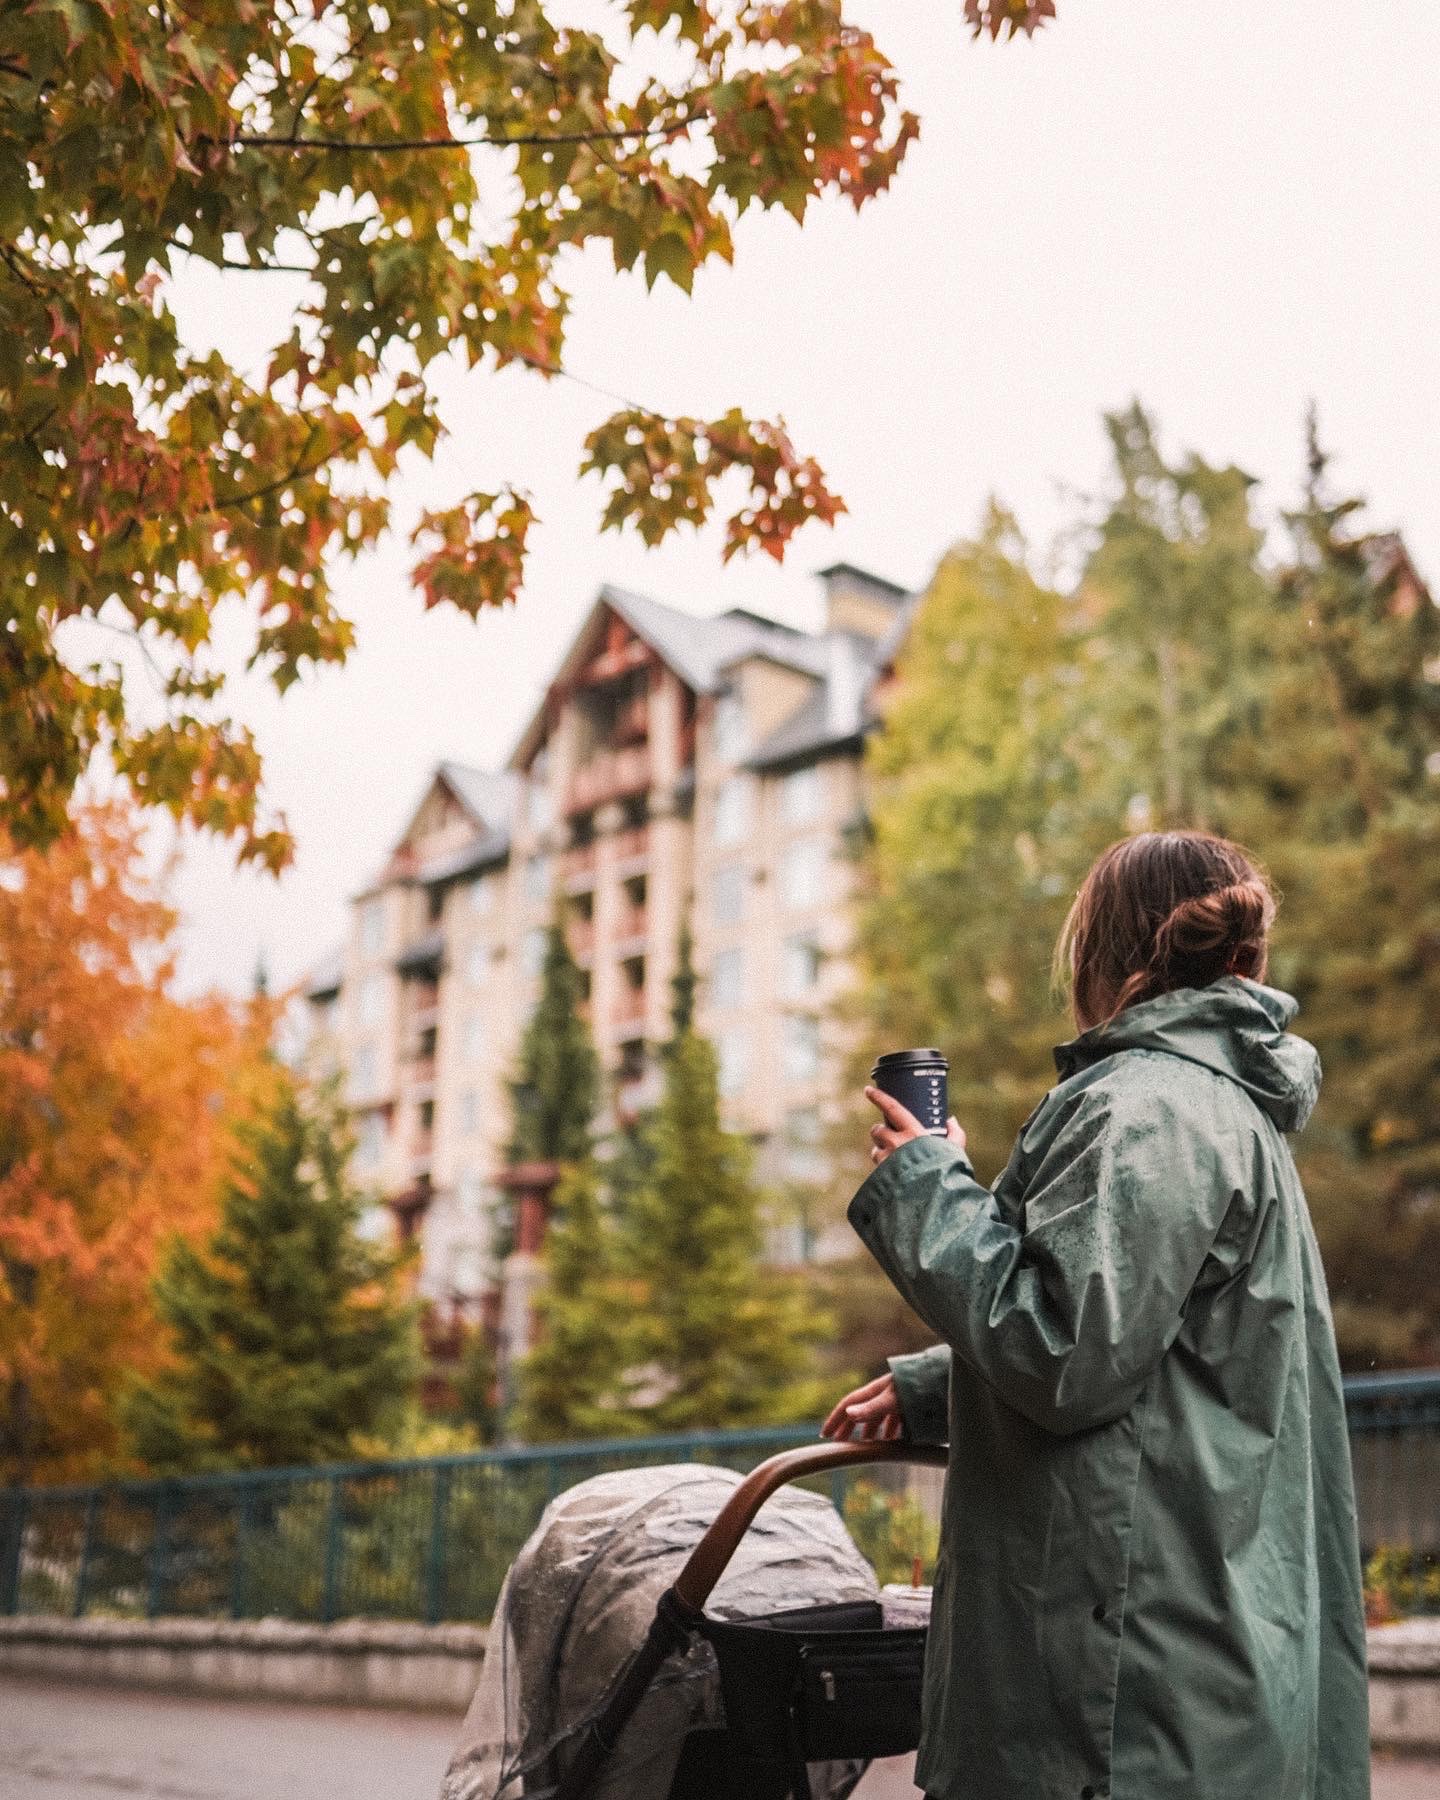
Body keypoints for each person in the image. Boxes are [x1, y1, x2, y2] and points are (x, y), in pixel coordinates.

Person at [822, 830, 1370, 1800]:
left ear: (1098, 959)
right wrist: (936, 1388)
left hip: (1119, 1711)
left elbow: (1068, 1355)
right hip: (1196, 1667)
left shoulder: (1142, 1109)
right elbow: (1159, 1342)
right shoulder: (1221, 1105)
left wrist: (924, 1186)